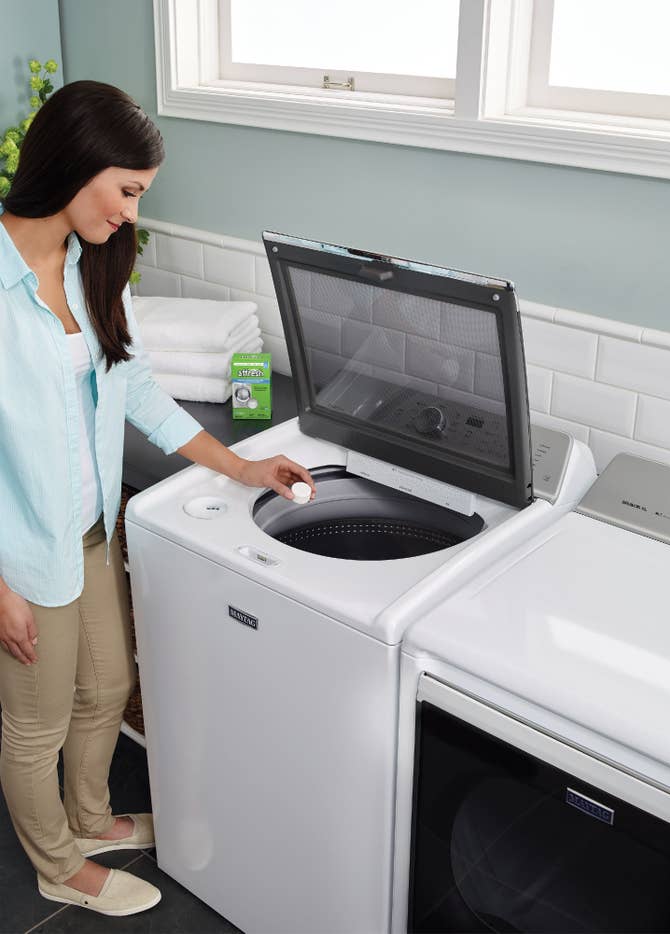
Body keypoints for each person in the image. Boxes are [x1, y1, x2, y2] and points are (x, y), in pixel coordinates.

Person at [0, 80, 315, 917]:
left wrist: (241, 466)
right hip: (21, 553)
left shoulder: (92, 267)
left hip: (90, 530)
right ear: (75, 165)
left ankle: (89, 820)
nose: (132, 213)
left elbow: (138, 390)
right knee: (34, 726)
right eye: (128, 190)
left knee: (107, 685)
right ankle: (57, 866)